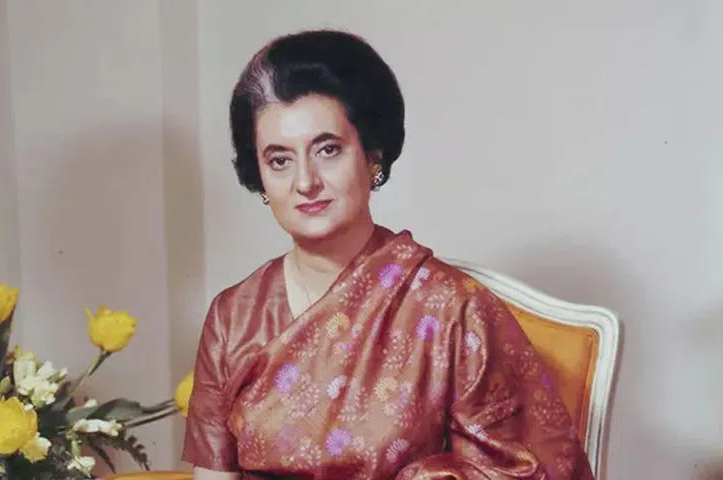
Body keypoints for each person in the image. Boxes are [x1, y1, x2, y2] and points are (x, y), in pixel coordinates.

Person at [182, 29, 594, 480]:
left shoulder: (452, 309)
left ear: (372, 156)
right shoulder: (233, 318)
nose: (305, 182)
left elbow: (527, 469)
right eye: (279, 160)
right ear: (259, 176)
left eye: (327, 150)